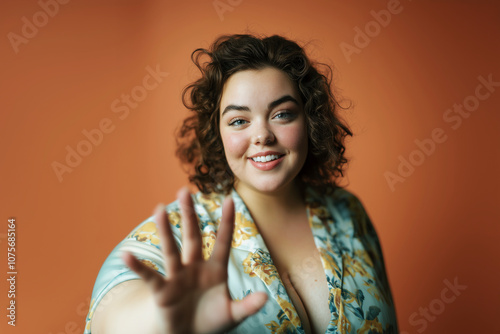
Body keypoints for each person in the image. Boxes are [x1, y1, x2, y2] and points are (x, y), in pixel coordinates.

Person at [84, 33, 399, 334]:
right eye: (239, 121)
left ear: (310, 121)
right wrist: (163, 321)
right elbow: (115, 312)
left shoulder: (347, 213)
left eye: (282, 114)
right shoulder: (181, 231)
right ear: (218, 133)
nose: (262, 135)